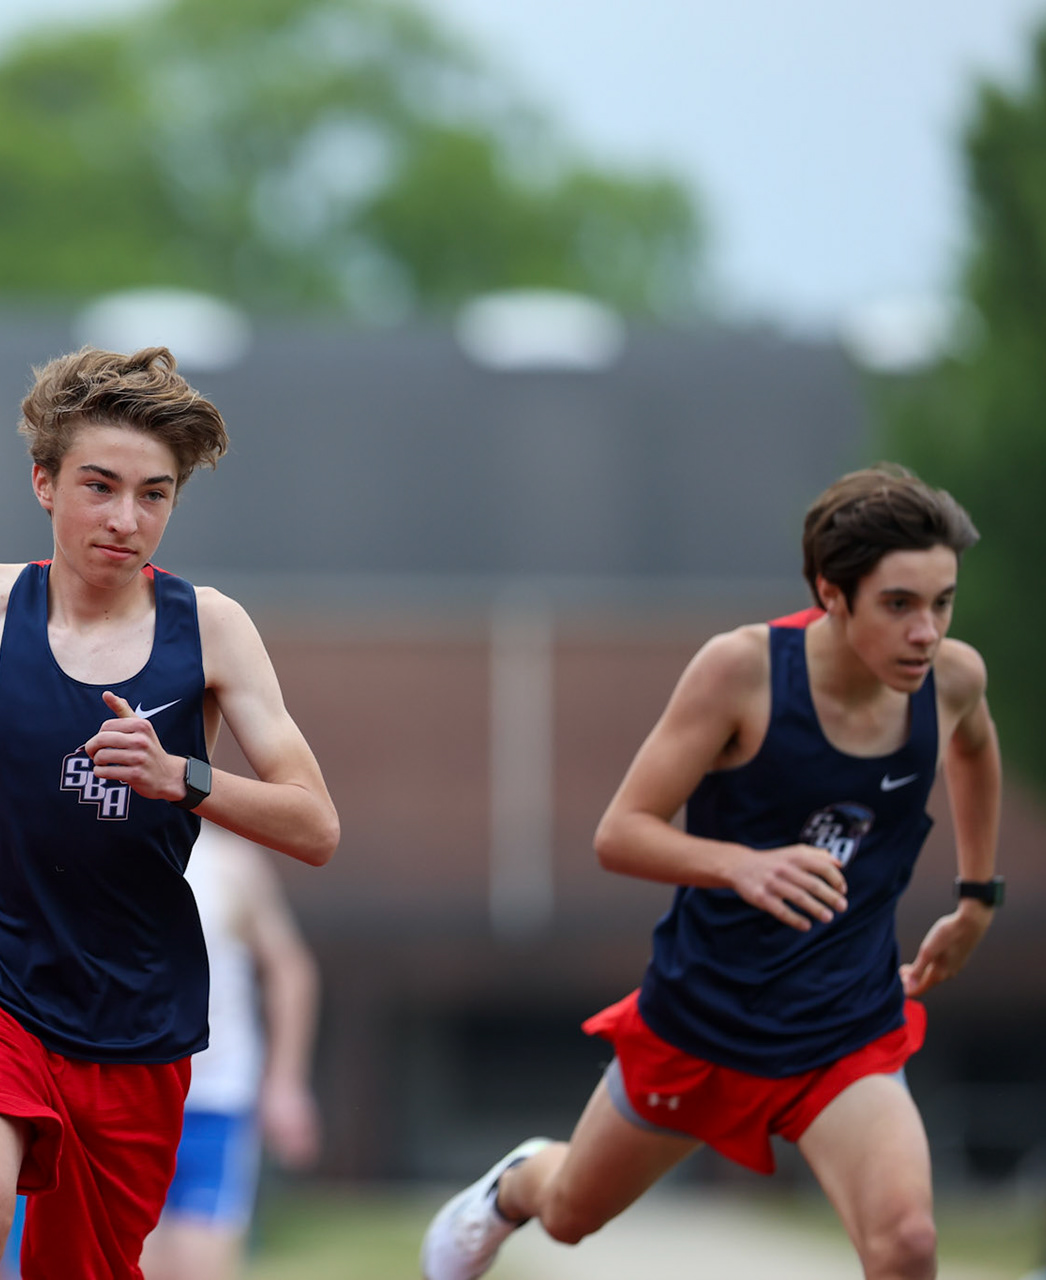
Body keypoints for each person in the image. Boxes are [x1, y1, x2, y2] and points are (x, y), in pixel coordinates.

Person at [0, 345, 340, 1280]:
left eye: (154, 495)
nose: (125, 519)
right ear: (44, 482)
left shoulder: (212, 630)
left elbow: (316, 827)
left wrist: (182, 775)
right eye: (100, 487)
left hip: (138, 1021)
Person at [422, 463, 1002, 1280]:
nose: (926, 633)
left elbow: (974, 745)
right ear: (831, 593)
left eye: (942, 603)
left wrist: (978, 897)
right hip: (704, 1021)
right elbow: (620, 833)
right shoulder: (743, 673)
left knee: (906, 1246)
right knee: (571, 1215)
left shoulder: (951, 680)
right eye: (899, 604)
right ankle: (516, 1185)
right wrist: (742, 867)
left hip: (846, 1023)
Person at [140, 822, 321, 1280]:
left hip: (215, 1099)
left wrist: (285, 1084)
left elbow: (289, 969)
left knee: (199, 1266)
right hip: (128, 1099)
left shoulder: (230, 864)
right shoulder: (93, 849)